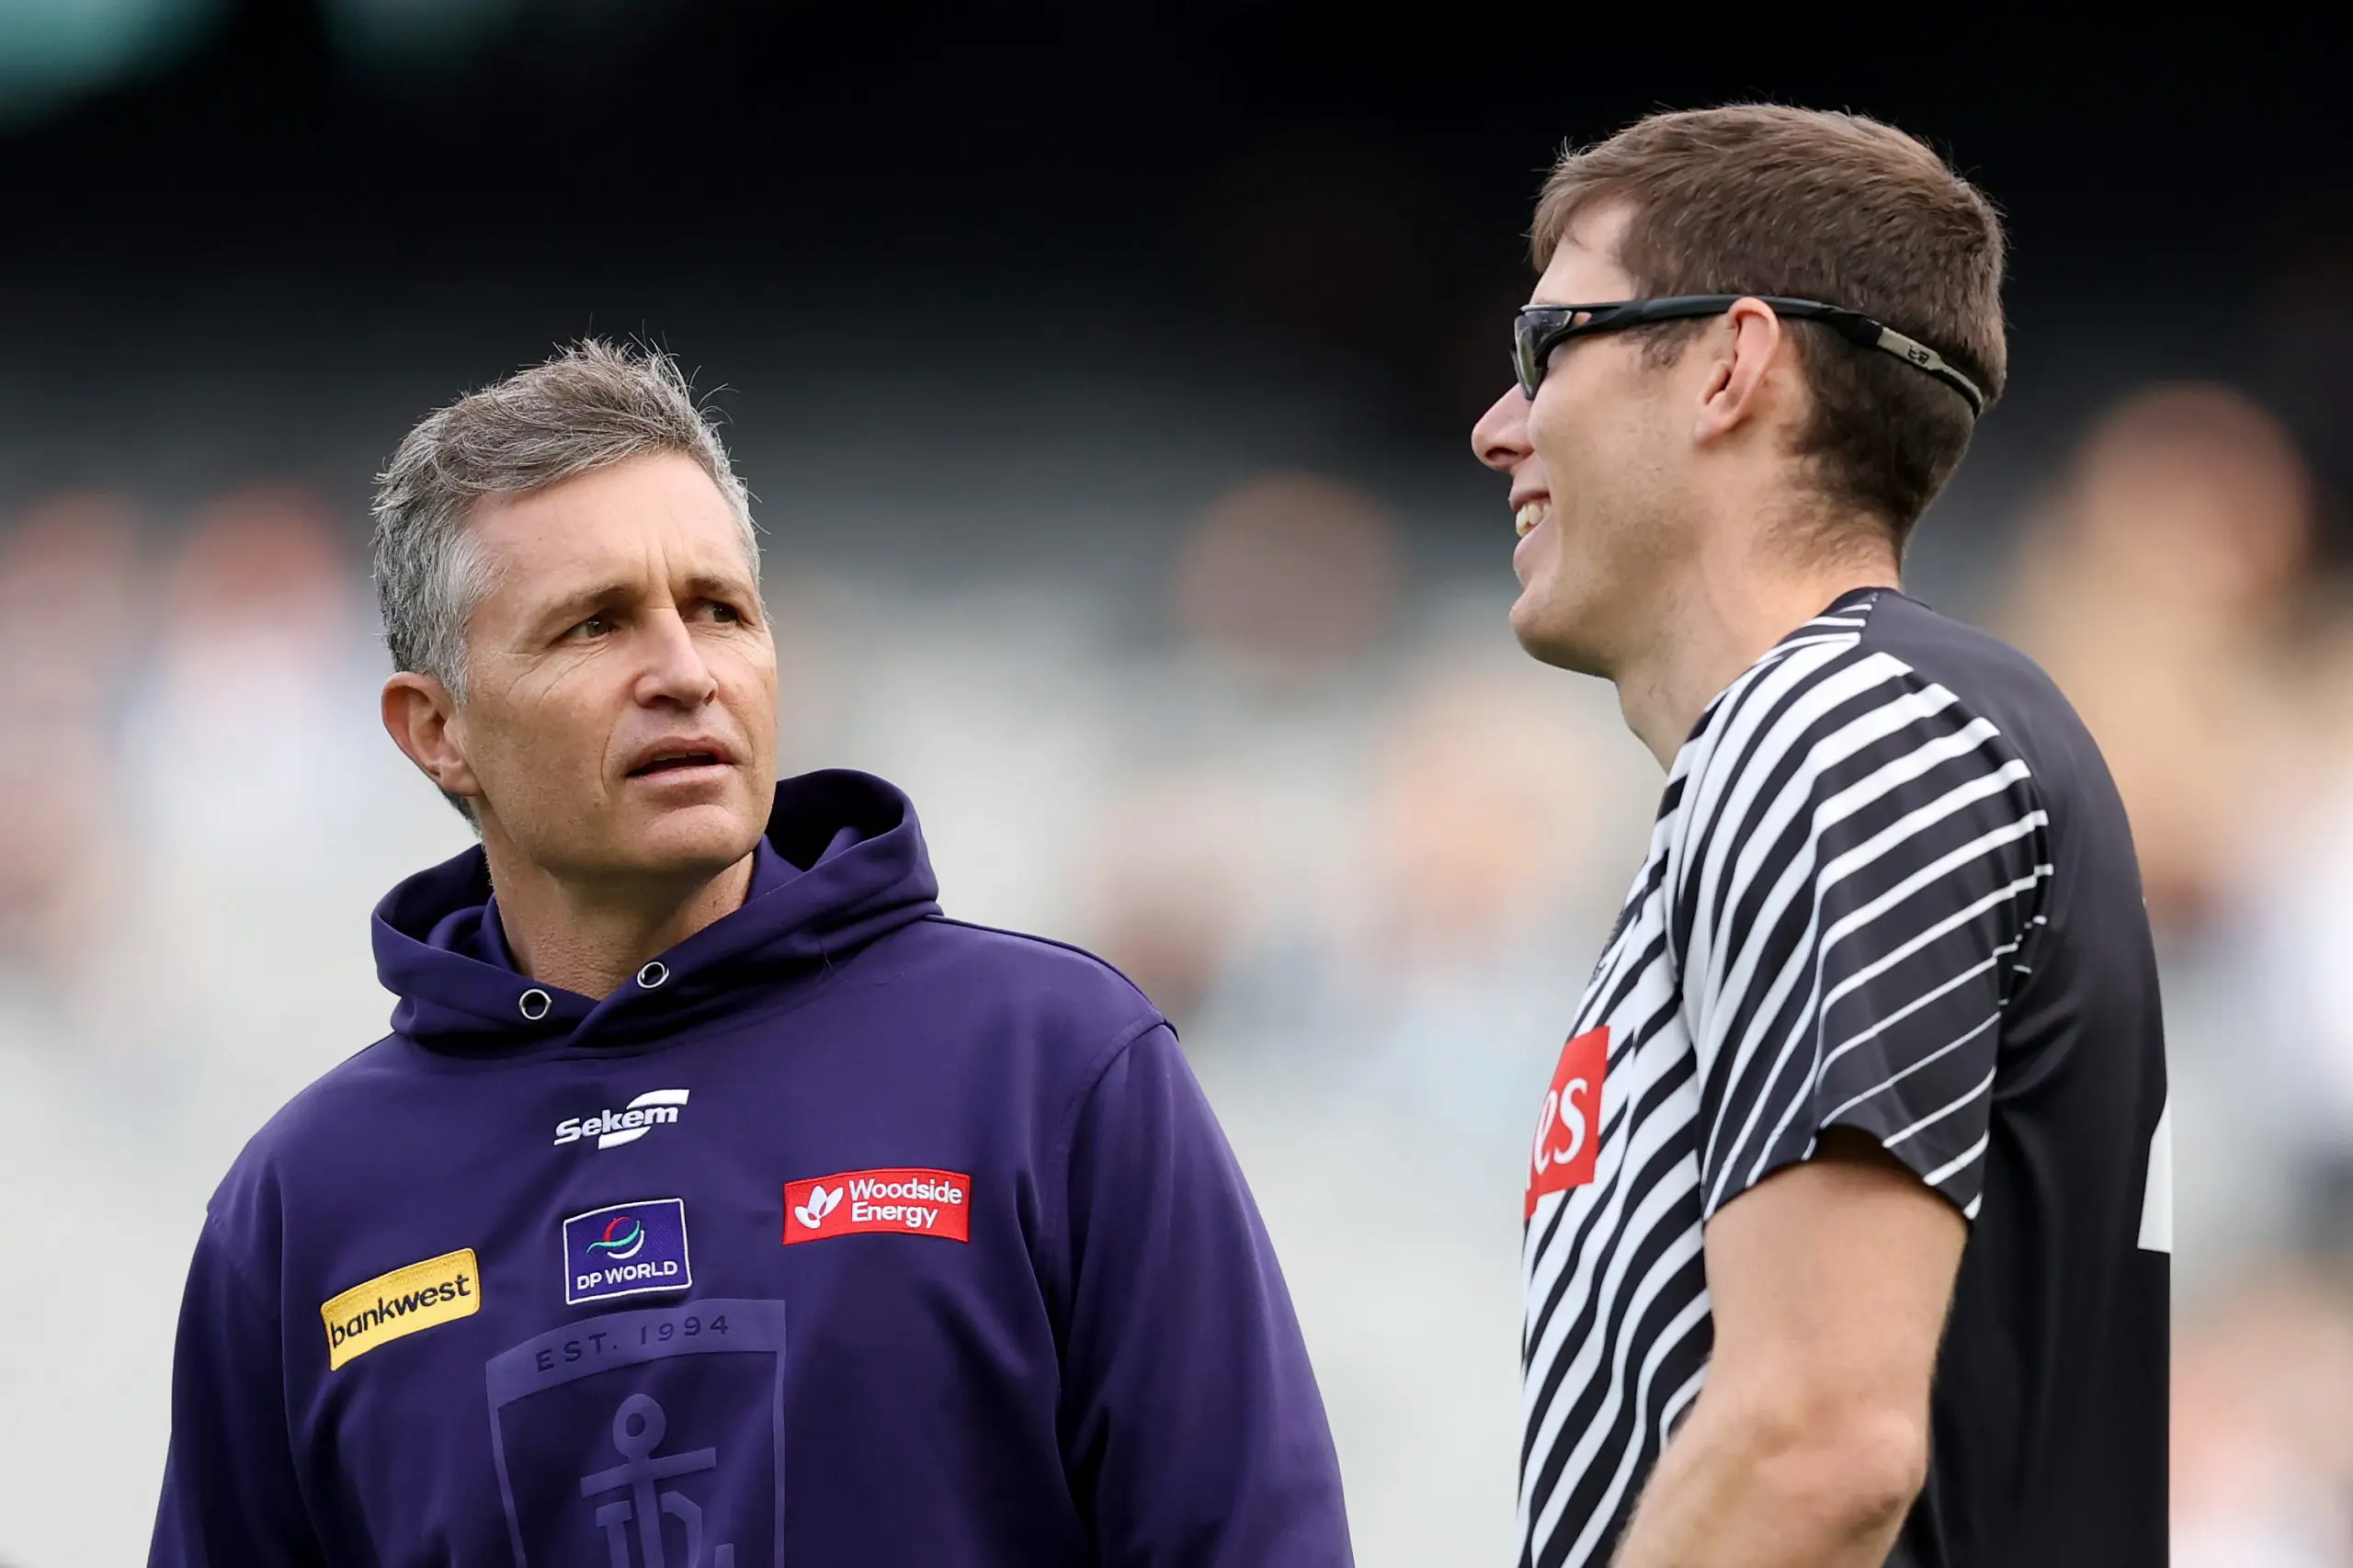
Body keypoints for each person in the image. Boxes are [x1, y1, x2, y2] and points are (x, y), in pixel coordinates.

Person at [148, 340, 1351, 1568]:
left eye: (718, 609)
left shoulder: (1052, 1063)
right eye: (594, 624)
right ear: (438, 729)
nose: (683, 672)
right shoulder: (303, 1206)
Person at [1470, 107, 2166, 1568]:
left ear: (1731, 364)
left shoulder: (1846, 729)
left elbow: (1819, 1442)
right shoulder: (1878, 729)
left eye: (1549, 350)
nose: (1498, 425)